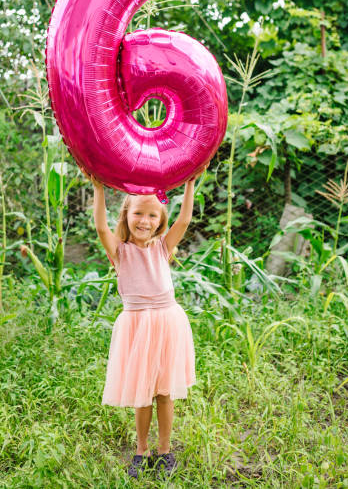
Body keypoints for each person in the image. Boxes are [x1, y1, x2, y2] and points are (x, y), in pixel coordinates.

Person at [81, 164, 208, 479]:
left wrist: (190, 183)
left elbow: (185, 219)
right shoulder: (120, 252)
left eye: (153, 216)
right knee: (143, 391)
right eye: (138, 214)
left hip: (167, 324)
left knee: (164, 391)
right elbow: (99, 228)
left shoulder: (163, 247)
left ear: (160, 222)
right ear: (126, 216)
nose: (145, 220)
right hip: (137, 328)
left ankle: (164, 449)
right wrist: (98, 188)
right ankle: (142, 449)